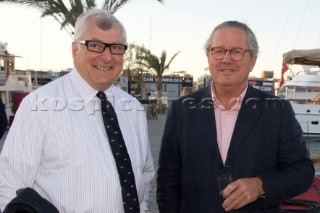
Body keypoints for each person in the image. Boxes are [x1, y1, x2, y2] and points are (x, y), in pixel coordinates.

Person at [0, 8, 154, 212]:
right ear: (75, 50)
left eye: (116, 47)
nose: (107, 57)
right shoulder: (38, 106)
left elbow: (145, 175)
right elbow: (11, 188)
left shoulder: (133, 108)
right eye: (95, 45)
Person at [156, 20, 315, 213]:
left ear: (253, 60)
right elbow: (168, 182)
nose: (226, 59)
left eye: (237, 52)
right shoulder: (181, 110)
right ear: (209, 57)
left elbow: (303, 172)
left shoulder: (278, 110)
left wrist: (261, 185)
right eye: (219, 50)